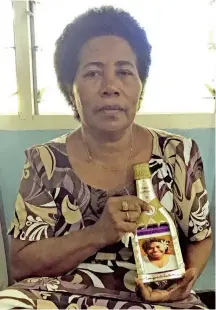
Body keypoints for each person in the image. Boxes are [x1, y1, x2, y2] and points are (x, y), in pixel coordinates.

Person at [0, 5, 213, 309]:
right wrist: (99, 233)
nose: (110, 87)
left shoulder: (179, 153)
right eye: (93, 73)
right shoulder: (44, 161)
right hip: (57, 295)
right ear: (69, 89)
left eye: (125, 72)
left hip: (156, 297)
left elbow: (201, 237)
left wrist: (181, 282)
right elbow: (21, 264)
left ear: (140, 87)